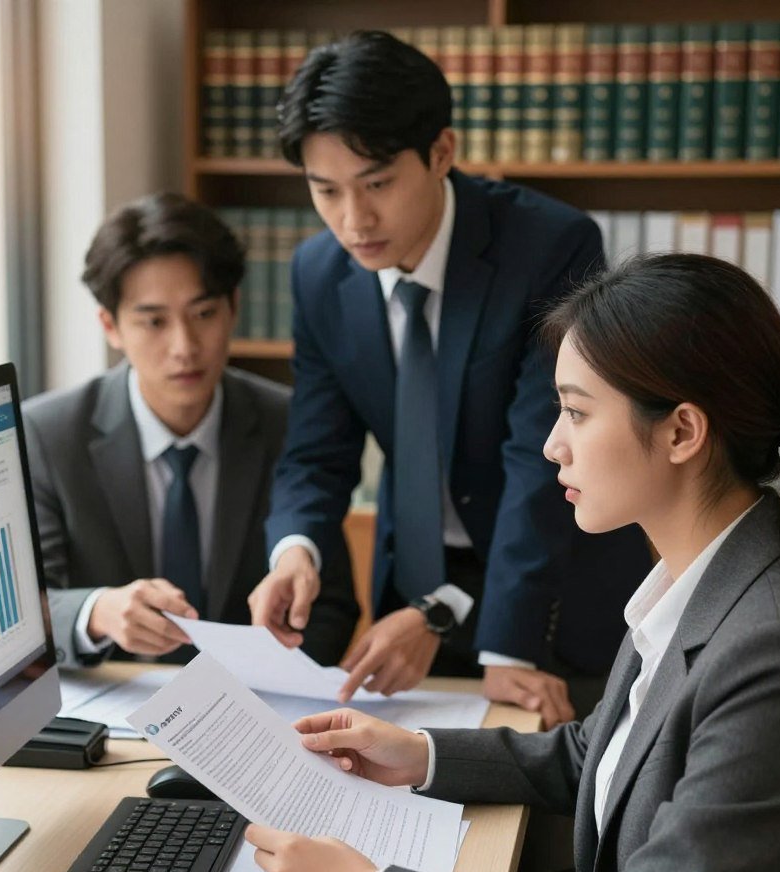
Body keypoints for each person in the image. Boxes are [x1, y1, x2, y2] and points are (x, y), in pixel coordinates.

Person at [246, 253, 780, 872]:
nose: (553, 444)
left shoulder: (777, 647)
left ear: (683, 430)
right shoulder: (702, 581)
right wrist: (417, 755)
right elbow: (605, 753)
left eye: (578, 412)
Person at [248, 30, 650, 724]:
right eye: (326, 191)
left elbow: (540, 455)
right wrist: (295, 548)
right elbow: (317, 451)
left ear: (441, 152)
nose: (353, 220)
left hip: (544, 602)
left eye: (376, 184)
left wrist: (504, 648)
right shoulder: (318, 274)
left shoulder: (548, 247)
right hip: (417, 598)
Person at [23, 193, 358, 670]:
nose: (184, 347)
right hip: (114, 714)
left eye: (203, 315)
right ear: (110, 326)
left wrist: (266, 684)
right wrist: (96, 612)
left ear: (233, 308)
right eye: (154, 322)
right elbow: (26, 612)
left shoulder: (288, 423)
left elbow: (331, 609)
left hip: (253, 711)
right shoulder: (49, 435)